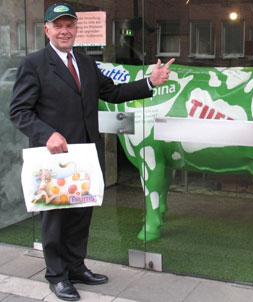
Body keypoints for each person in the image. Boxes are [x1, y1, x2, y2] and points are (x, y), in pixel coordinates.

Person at [9, 3, 174, 301]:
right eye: (57, 26)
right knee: (55, 218)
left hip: (85, 155)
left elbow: (113, 93)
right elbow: (19, 112)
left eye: (69, 25)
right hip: (54, 158)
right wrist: (47, 134)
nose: (64, 31)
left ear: (76, 30)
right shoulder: (33, 64)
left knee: (81, 215)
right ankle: (57, 276)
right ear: (47, 30)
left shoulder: (86, 64)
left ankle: (76, 267)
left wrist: (150, 82)